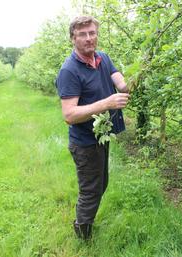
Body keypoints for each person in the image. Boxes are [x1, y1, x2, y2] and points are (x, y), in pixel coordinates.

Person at [56, 16, 129, 240]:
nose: (89, 38)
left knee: (101, 183)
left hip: (101, 137)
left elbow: (115, 74)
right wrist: (107, 103)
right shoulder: (69, 70)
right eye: (83, 34)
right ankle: (82, 233)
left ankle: (85, 223)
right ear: (73, 39)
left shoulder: (102, 58)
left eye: (92, 33)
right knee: (91, 190)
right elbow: (69, 115)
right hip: (85, 142)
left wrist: (124, 84)